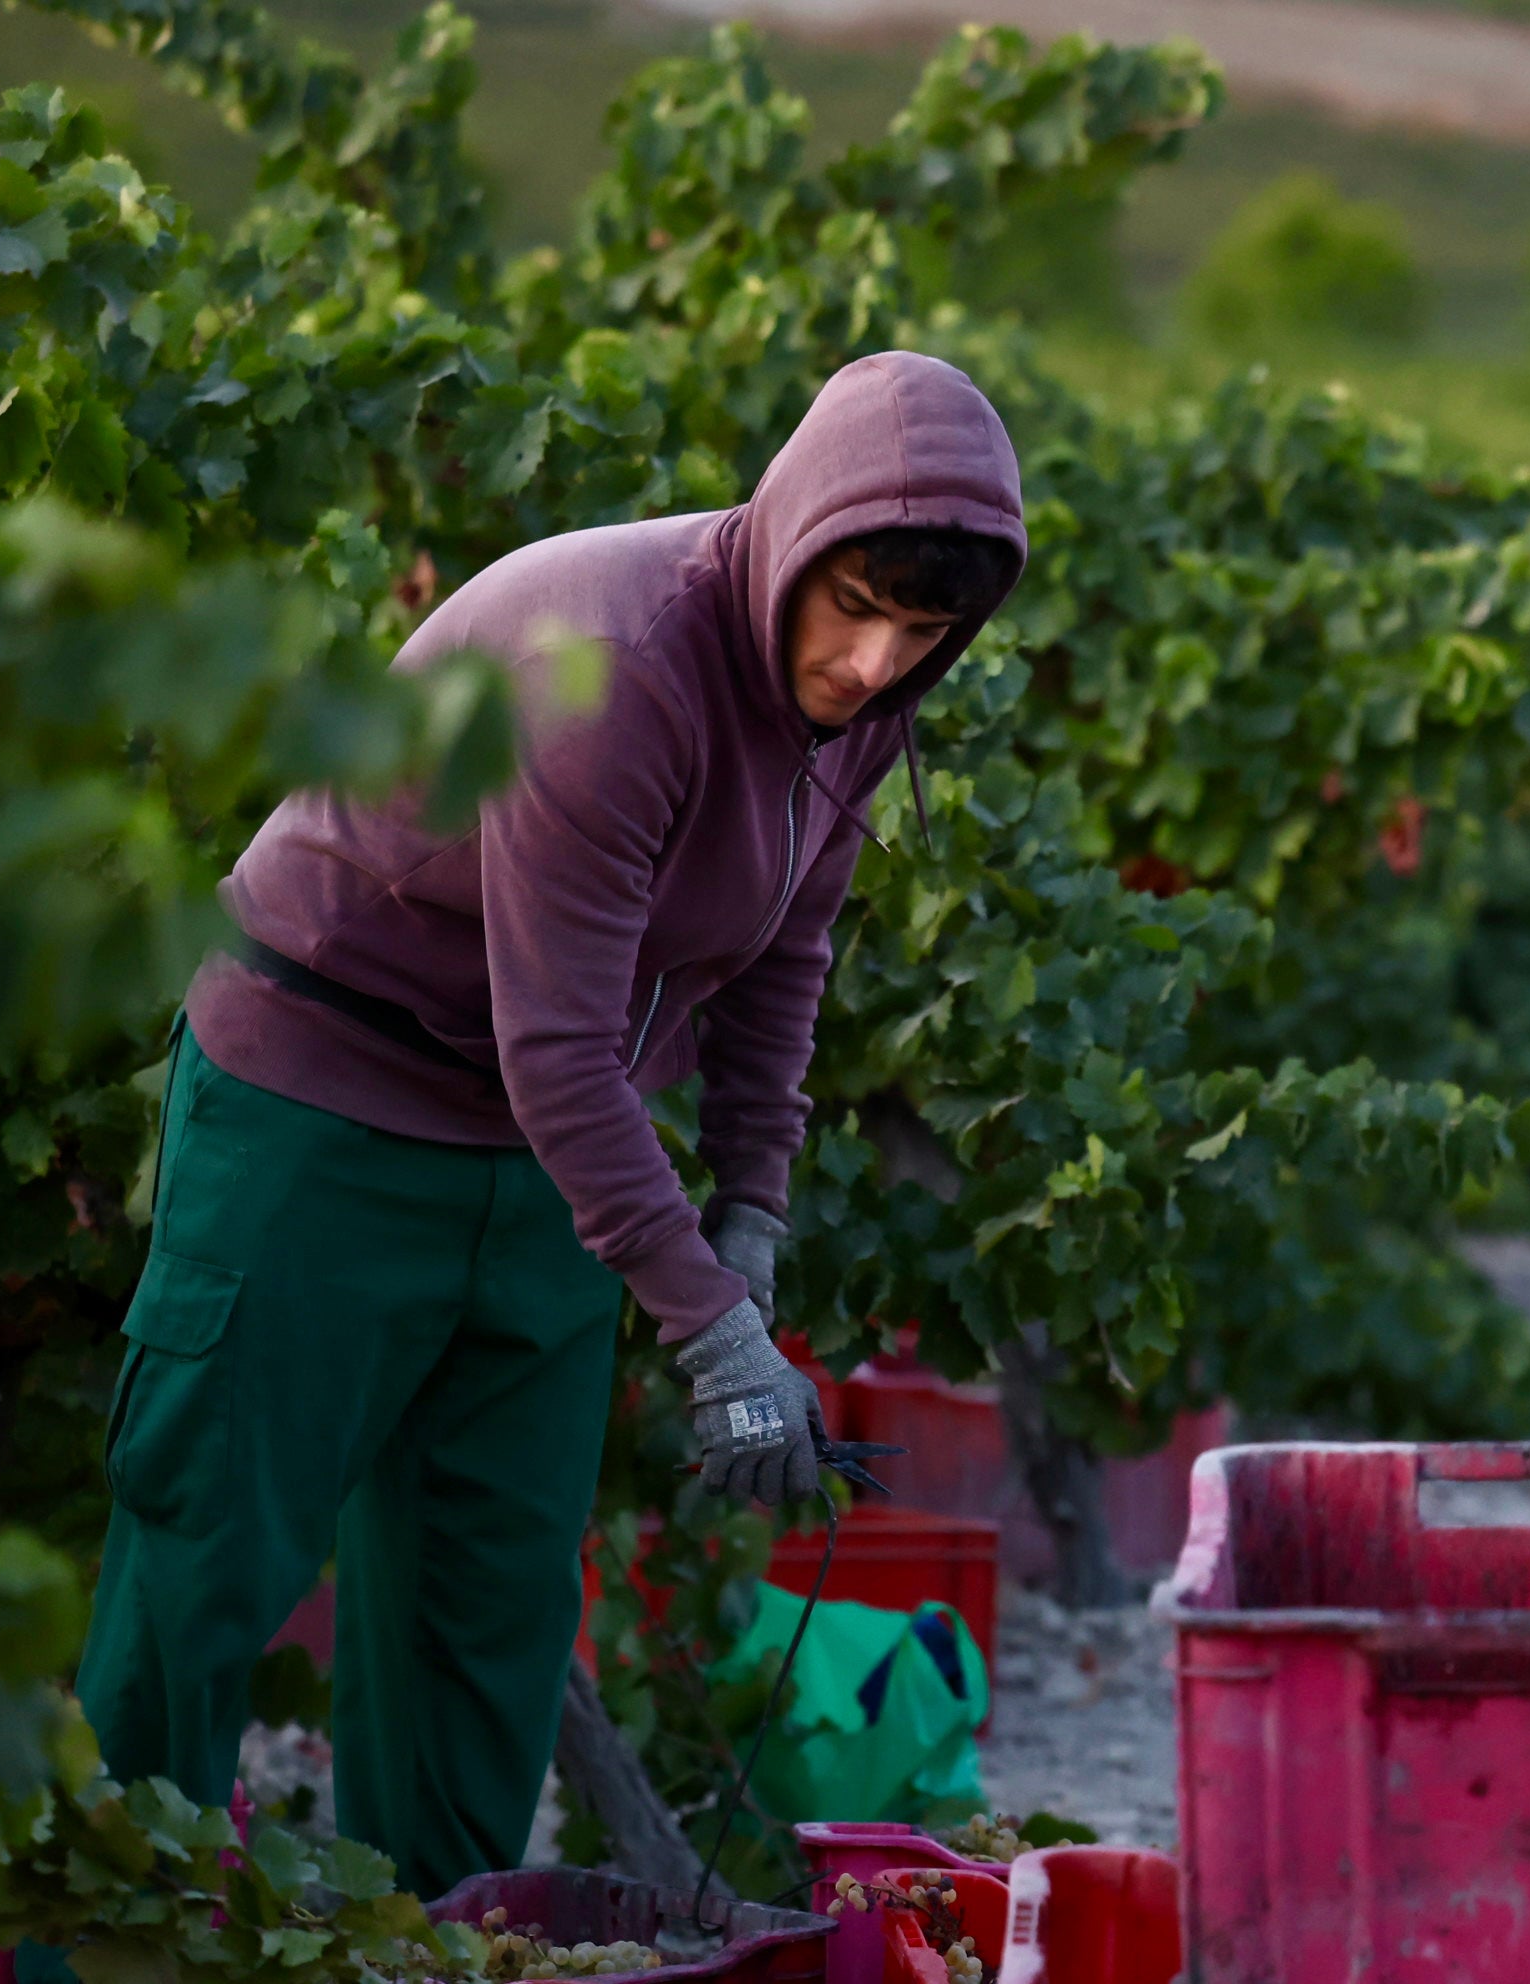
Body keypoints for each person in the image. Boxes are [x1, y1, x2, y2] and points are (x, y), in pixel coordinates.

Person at [73, 351, 1026, 1901]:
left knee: (486, 1611)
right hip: (320, 1101)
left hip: (547, 1157)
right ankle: (95, 1946)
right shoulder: (610, 667)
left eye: (921, 633)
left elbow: (783, 960)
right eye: (854, 606)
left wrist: (752, 1224)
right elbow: (564, 1050)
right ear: (795, 542)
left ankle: (435, 1940)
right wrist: (715, 1341)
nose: (870, 661)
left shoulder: (861, 709)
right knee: (205, 1562)